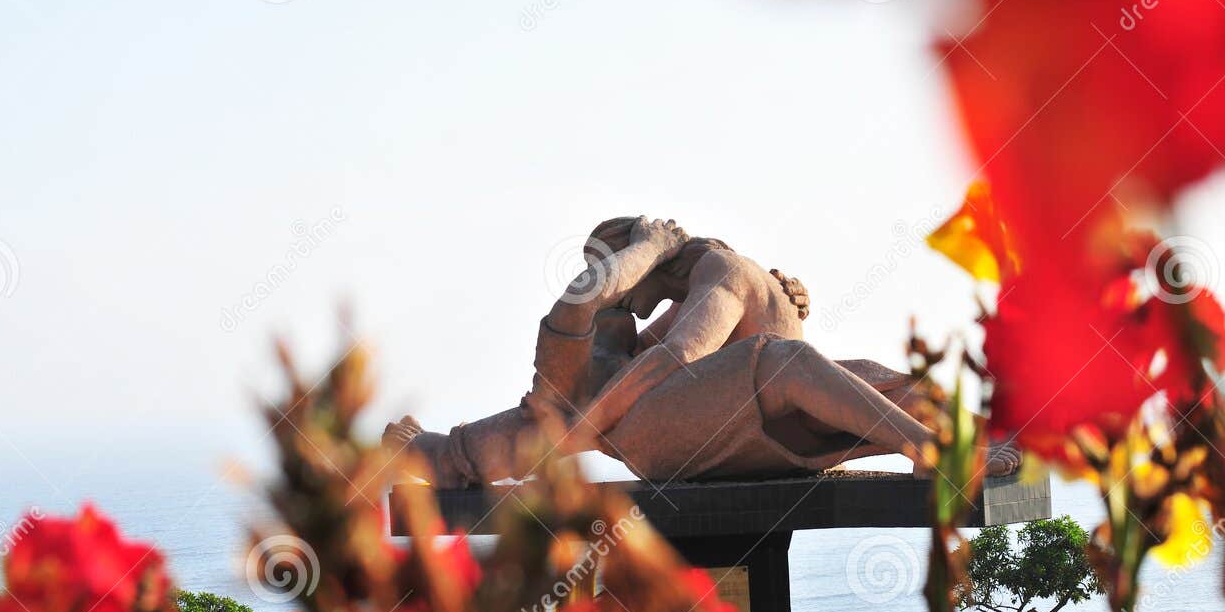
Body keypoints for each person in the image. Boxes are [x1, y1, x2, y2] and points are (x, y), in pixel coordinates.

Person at [386, 215, 1018, 486]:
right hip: (653, 432)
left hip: (720, 430)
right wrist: (647, 252)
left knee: (875, 376)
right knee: (785, 361)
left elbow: (675, 358)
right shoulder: (576, 330)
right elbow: (662, 355)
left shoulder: (717, 274)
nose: (631, 311)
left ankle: (956, 442)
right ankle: (933, 448)